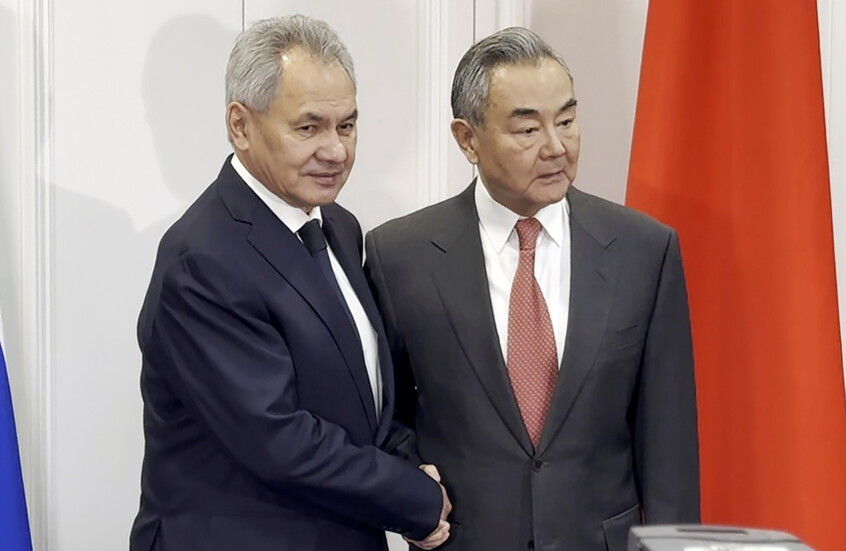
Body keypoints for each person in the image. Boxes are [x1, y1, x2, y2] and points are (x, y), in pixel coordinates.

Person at [364, 27, 700, 551]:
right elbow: (385, 416)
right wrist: (414, 491)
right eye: (527, 129)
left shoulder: (643, 250)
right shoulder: (399, 256)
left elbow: (668, 444)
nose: (556, 147)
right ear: (467, 139)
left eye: (566, 121)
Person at [129, 15, 450, 551]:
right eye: (309, 128)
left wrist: (410, 465)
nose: (336, 150)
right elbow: (277, 440)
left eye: (346, 126)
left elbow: (359, 398)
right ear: (240, 125)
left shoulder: (339, 227)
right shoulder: (202, 259)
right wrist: (415, 499)